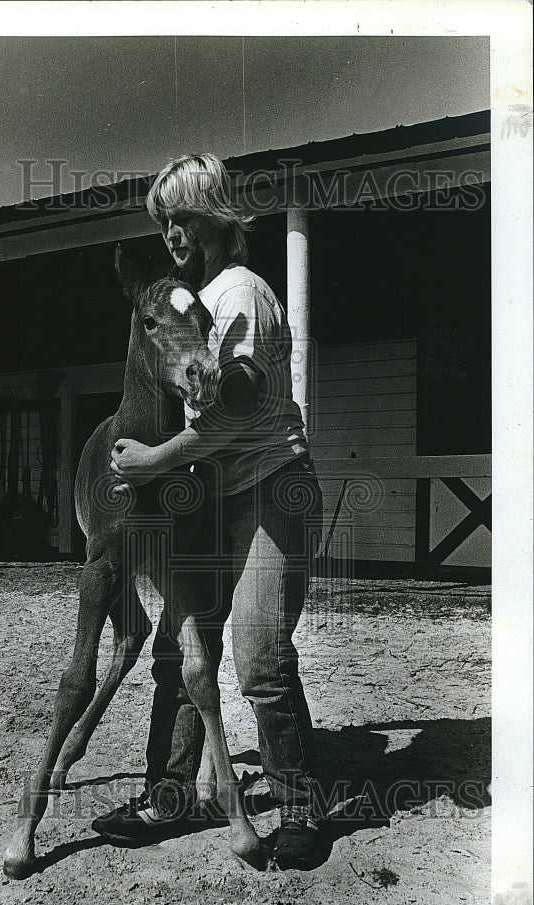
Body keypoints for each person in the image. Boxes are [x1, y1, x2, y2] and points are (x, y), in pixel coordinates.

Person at [91, 153, 326, 868]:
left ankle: (301, 805)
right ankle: (169, 795)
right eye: (165, 222)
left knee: (257, 655)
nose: (174, 233)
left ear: (219, 217)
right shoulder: (192, 303)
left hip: (272, 489)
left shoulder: (241, 295)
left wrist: (155, 461)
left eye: (185, 217)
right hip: (215, 497)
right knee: (183, 648)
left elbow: (235, 411)